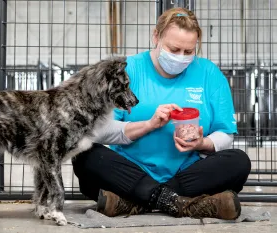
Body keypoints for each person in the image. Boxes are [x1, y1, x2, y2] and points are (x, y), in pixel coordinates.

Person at [72, 7, 251, 220]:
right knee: (84, 154)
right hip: (131, 170)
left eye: (189, 52)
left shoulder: (209, 73)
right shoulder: (127, 71)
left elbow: (225, 133)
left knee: (239, 161)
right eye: (174, 50)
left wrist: (202, 143)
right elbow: (99, 130)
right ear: (156, 36)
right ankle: (181, 203)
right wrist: (149, 124)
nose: (181, 58)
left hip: (186, 172)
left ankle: (137, 202)